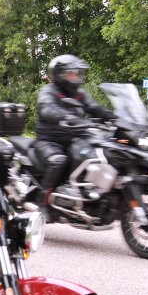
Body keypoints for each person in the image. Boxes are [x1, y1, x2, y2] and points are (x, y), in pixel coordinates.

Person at [34, 54, 115, 219]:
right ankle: (43, 202)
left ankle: (90, 197)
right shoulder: (48, 91)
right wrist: (67, 117)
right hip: (49, 140)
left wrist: (116, 118)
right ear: (59, 74)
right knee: (59, 161)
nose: (76, 77)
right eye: (71, 73)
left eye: (77, 73)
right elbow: (47, 108)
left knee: (99, 154)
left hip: (74, 139)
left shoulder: (79, 93)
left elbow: (94, 108)